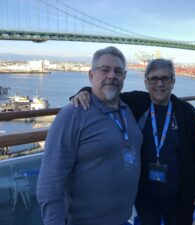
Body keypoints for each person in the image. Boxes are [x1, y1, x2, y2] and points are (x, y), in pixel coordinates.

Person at [71, 58, 195, 225]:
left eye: (165, 78)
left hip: (179, 193)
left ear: (173, 82)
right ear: (146, 82)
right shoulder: (137, 102)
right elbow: (108, 94)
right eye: (153, 79)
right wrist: (84, 91)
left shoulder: (186, 112)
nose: (159, 84)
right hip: (146, 193)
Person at [37, 46, 143, 225]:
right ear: (91, 75)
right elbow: (50, 184)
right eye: (104, 70)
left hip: (123, 220)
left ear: (124, 77)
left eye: (118, 71)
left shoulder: (128, 110)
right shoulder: (72, 115)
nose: (111, 75)